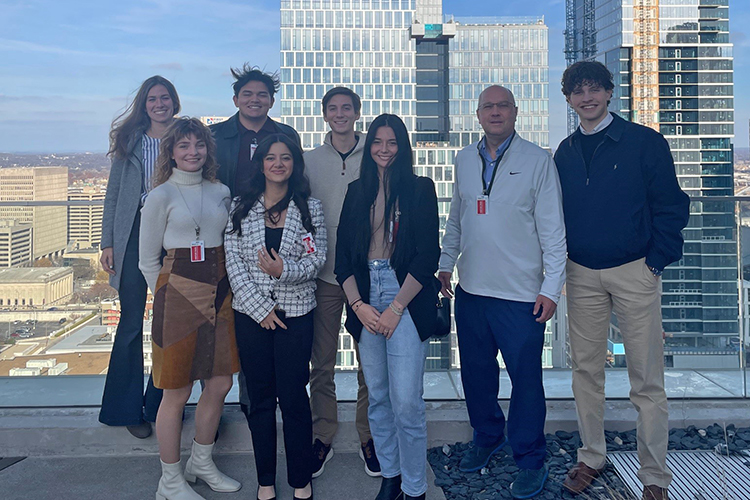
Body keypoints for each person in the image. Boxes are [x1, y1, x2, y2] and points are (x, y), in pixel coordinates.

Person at [554, 61, 689, 500]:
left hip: (635, 270)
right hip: (581, 273)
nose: (587, 97)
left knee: (646, 378)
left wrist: (655, 262)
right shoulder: (565, 151)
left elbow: (671, 204)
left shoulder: (643, 143)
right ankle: (592, 455)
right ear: (569, 99)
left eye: (595, 89)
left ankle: (654, 476)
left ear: (610, 93)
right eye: (578, 91)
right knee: (585, 372)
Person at [438, 85, 567, 499]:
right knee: (477, 376)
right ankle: (487, 435)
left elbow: (553, 232)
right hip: (471, 291)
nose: (495, 113)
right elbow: (457, 220)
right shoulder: (463, 160)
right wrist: (445, 263)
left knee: (526, 381)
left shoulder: (537, 161)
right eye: (488, 107)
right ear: (478, 115)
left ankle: (530, 457)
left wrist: (551, 288)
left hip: (522, 296)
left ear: (515, 112)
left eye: (503, 106)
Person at [335, 114, 440, 500]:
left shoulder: (420, 189)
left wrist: (396, 307)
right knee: (377, 395)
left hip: (405, 295)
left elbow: (429, 256)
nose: (384, 149)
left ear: (403, 146)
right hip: (364, 294)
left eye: (392, 142)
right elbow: (342, 259)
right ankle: (391, 476)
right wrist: (359, 306)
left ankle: (415, 488)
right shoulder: (356, 191)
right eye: (377, 141)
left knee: (407, 401)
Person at [139, 117, 241, 500]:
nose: (192, 152)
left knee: (219, 383)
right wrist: (169, 296)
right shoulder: (160, 197)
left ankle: (201, 461)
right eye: (183, 146)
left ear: (207, 149)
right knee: (176, 391)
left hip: (221, 294)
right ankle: (169, 480)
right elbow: (148, 260)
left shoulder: (221, 191)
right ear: (171, 152)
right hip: (177, 297)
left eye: (199, 145)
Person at [224, 134, 325, 500]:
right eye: (271, 158)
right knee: (261, 400)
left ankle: (301, 479)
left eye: (285, 158)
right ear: (261, 163)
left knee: (295, 397)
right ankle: (266, 480)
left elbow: (316, 260)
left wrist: (285, 270)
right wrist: (259, 308)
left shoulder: (310, 208)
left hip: (296, 315)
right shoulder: (240, 206)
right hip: (252, 317)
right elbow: (232, 262)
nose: (278, 164)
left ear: (294, 164)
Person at [304, 87, 380, 478]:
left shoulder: (375, 152)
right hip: (323, 277)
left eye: (346, 108)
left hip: (368, 276)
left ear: (357, 112)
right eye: (332, 109)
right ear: (324, 115)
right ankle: (324, 435)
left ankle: (369, 435)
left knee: (370, 364)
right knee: (322, 364)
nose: (340, 114)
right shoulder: (309, 161)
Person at [99, 75, 179, 439]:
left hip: (173, 234)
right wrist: (108, 243)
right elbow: (113, 195)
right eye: (152, 99)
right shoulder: (129, 140)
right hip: (132, 234)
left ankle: (161, 405)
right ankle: (125, 409)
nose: (159, 103)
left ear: (173, 101)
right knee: (131, 322)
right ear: (143, 105)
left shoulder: (185, 136)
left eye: (164, 97)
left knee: (172, 325)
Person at [211, 64, 300, 197]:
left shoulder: (287, 135)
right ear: (236, 100)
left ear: (272, 101)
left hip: (278, 213)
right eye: (247, 94)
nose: (255, 100)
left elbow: (298, 176)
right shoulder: (213, 135)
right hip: (225, 212)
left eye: (262, 95)